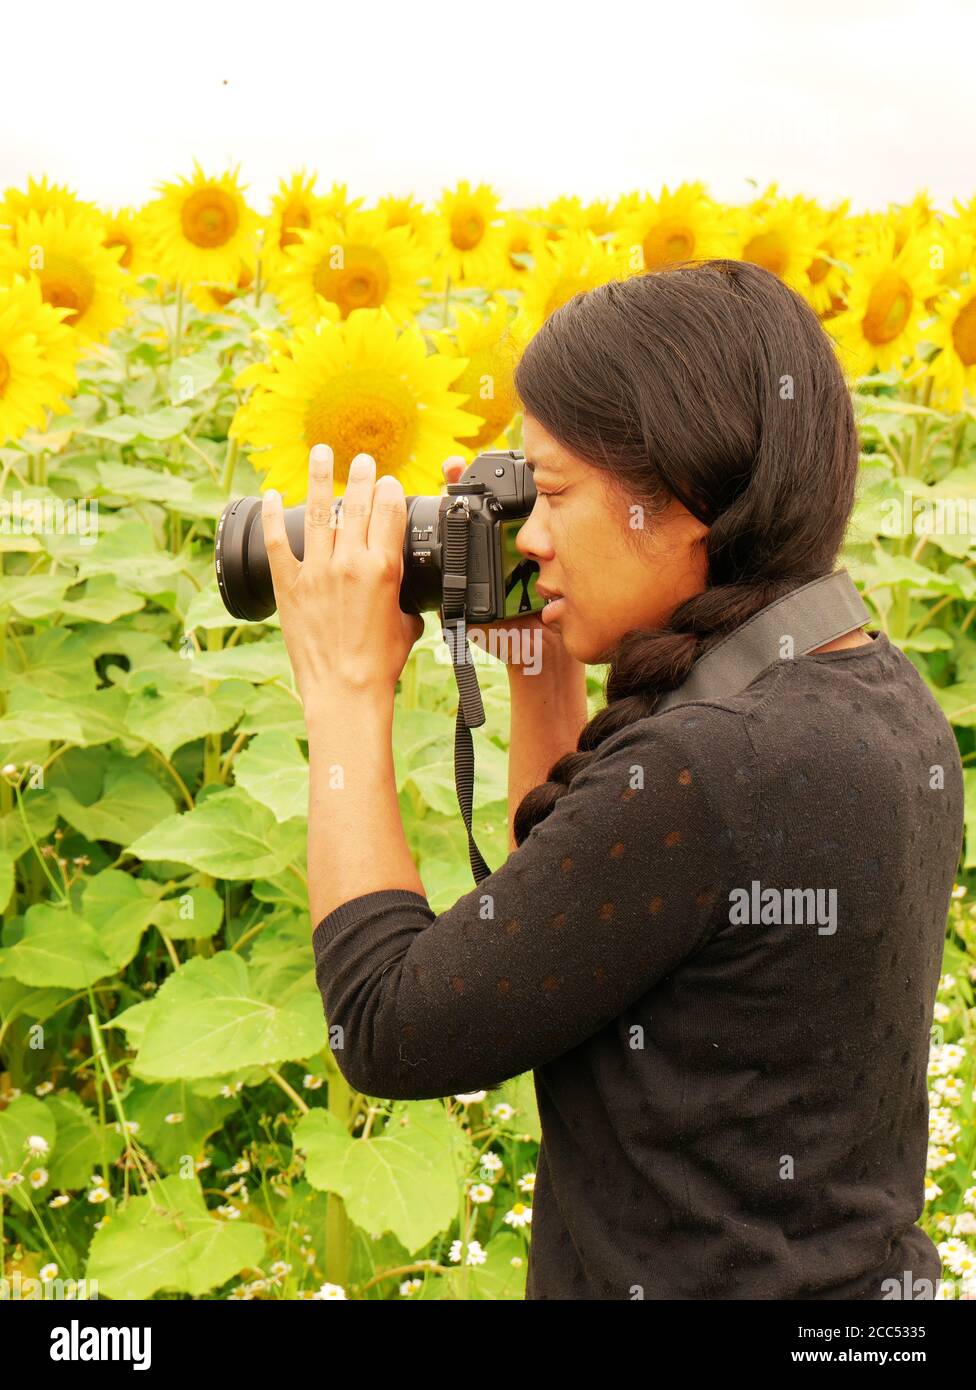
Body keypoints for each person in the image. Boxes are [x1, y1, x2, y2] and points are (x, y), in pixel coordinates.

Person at [261, 259, 964, 1300]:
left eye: (550, 492)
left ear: (684, 497)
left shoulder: (710, 769)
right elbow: (584, 914)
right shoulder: (873, 694)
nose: (531, 535)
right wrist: (544, 672)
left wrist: (346, 687)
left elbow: (384, 1024)